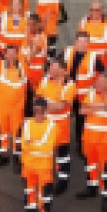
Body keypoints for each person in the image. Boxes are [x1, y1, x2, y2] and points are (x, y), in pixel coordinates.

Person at [77, 73, 107, 211]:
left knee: (105, 170)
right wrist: (94, 108)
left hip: (105, 141)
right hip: (89, 139)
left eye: (100, 82)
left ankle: (106, 196)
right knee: (90, 165)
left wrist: (103, 106)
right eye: (97, 82)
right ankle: (91, 187)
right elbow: (81, 110)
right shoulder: (91, 94)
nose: (97, 84)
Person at [18, 96, 56, 212]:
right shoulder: (27, 124)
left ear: (46, 111)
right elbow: (23, 144)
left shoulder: (52, 126)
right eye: (35, 111)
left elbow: (47, 147)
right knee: (29, 192)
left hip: (44, 168)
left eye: (40, 111)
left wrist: (31, 144)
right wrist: (35, 145)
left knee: (45, 197)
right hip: (28, 166)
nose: (38, 114)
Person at [0, 43, 26, 169]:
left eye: (14, 52)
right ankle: (3, 156)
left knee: (17, 135)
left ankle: (17, 159)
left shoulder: (22, 66)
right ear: (5, 55)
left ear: (17, 54)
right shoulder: (0, 65)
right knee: (3, 133)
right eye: (9, 53)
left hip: (17, 108)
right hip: (2, 107)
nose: (11, 55)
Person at [37, 58, 76, 194]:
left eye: (54, 68)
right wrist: (46, 105)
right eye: (50, 67)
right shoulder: (46, 79)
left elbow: (61, 106)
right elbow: (38, 98)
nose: (50, 70)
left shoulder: (69, 85)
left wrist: (44, 105)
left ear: (62, 70)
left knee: (62, 155)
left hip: (60, 126)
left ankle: (62, 182)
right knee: (46, 152)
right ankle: (46, 177)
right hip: (46, 123)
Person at [61, 30, 104, 140]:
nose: (82, 44)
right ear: (76, 42)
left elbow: (101, 72)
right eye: (80, 42)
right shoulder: (67, 52)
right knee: (64, 117)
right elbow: (58, 65)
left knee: (82, 121)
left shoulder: (94, 57)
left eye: (85, 42)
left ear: (88, 43)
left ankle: (81, 144)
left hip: (84, 96)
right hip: (68, 93)